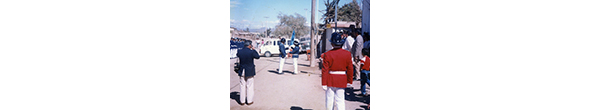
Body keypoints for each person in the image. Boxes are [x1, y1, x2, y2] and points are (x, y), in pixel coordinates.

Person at [321, 32, 353, 110]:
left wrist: (324, 83)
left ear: (332, 43)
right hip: (342, 79)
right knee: (340, 100)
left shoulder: (327, 54)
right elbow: (350, 68)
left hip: (330, 79)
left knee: (329, 99)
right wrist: (349, 80)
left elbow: (325, 70)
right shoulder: (347, 54)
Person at [236, 41, 260, 105]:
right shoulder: (251, 52)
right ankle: (249, 101)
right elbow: (257, 56)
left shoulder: (240, 51)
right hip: (249, 70)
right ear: (249, 45)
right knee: (250, 85)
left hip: (242, 70)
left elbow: (237, 55)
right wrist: (254, 49)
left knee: (242, 85)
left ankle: (242, 101)